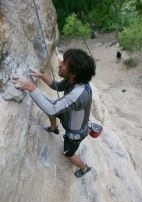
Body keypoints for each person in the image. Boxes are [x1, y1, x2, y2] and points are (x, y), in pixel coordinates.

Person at [12, 48, 96, 177]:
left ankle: (85, 168)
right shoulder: (75, 80)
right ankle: (54, 127)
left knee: (68, 154)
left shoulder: (79, 94)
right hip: (68, 115)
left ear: (73, 74)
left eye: (65, 63)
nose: (60, 62)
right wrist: (41, 75)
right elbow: (57, 86)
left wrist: (30, 87)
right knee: (52, 108)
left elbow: (51, 108)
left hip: (75, 133)